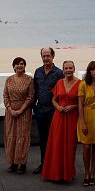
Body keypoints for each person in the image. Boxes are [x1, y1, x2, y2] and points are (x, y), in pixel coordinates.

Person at [42, 60, 81, 183]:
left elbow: (82, 103)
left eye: (70, 68)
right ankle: (54, 174)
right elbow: (54, 99)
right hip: (58, 117)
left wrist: (73, 106)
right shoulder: (59, 82)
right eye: (66, 68)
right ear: (63, 70)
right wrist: (58, 107)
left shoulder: (81, 84)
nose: (68, 70)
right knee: (56, 145)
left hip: (72, 117)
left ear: (74, 69)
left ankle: (67, 174)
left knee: (70, 145)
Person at [32, 46, 64, 174]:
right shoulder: (38, 72)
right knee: (42, 139)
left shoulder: (59, 73)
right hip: (40, 111)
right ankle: (43, 164)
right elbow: (35, 91)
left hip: (53, 111)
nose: (46, 58)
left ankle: (54, 166)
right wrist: (34, 107)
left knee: (55, 139)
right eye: (44, 56)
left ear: (53, 56)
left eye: (48, 56)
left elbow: (62, 93)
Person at [3, 56, 35, 174]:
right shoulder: (9, 80)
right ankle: (12, 162)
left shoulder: (29, 80)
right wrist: (10, 109)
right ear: (13, 66)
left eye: (21, 64)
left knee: (22, 136)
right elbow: (5, 96)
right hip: (10, 112)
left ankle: (22, 163)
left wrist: (21, 110)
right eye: (17, 64)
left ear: (25, 66)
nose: (19, 66)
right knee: (11, 135)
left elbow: (30, 97)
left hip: (24, 111)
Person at [77, 60, 95, 186]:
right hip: (86, 116)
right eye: (92, 69)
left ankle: (93, 171)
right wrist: (82, 122)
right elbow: (80, 105)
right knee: (86, 146)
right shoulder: (83, 84)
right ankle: (86, 172)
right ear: (89, 71)